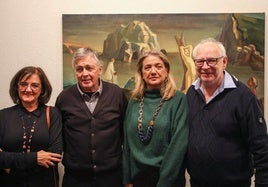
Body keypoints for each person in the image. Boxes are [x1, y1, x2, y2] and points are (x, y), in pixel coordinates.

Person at [186, 37, 268, 187]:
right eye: (200, 61)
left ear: (224, 62)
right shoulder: (191, 93)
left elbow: (262, 149)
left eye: (211, 60)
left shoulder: (244, 97)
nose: (205, 66)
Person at [55, 47, 128, 187]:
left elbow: (125, 133)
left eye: (89, 68)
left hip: (112, 178)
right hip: (76, 179)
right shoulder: (64, 98)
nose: (84, 74)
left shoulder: (116, 94)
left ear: (100, 70)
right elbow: (60, 136)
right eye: (79, 69)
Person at [123, 50, 189, 187]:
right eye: (147, 67)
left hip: (167, 181)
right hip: (137, 181)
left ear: (166, 70)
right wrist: (126, 179)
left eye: (158, 66)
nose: (153, 71)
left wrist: (164, 183)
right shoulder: (134, 101)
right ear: (141, 73)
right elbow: (127, 143)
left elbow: (178, 148)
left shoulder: (178, 100)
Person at [0, 66, 63, 187]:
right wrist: (35, 158)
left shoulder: (53, 114)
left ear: (42, 89)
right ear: (17, 87)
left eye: (35, 85)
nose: (28, 89)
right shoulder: (3, 115)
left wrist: (11, 165)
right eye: (23, 84)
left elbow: (54, 156)